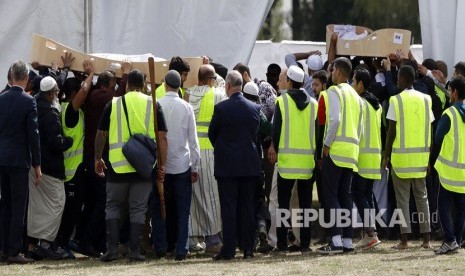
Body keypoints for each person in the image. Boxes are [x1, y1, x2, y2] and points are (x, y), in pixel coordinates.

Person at [95, 69, 168, 262]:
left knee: (112, 207)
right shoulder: (153, 104)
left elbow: (101, 134)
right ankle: (135, 251)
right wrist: (162, 164)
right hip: (143, 168)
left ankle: (111, 250)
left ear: (126, 85)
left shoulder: (113, 104)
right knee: (138, 209)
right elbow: (162, 137)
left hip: (117, 167)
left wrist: (97, 158)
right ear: (144, 85)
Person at [74, 62, 130, 257]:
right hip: (100, 156)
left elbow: (85, 88)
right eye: (114, 83)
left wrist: (85, 73)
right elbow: (119, 98)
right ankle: (90, 241)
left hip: (89, 155)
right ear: (109, 84)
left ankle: (85, 240)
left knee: (91, 201)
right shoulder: (105, 96)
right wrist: (126, 76)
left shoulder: (91, 95)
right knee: (102, 201)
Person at [208, 70, 261, 260]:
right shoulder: (254, 108)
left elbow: (212, 134)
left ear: (228, 85)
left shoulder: (221, 109)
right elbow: (255, 134)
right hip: (249, 164)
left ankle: (229, 249)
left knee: (229, 207)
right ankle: (248, 248)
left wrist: (224, 149)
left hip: (227, 166)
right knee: (247, 206)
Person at [268, 65, 318, 255]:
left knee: (283, 206)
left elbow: (277, 130)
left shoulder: (282, 101)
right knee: (305, 206)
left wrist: (276, 148)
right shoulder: (313, 103)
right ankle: (305, 245)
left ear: (288, 81)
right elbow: (317, 132)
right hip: (306, 164)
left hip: (287, 163)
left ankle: (281, 246)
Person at [384, 65, 434, 250]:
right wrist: (428, 157)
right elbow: (430, 129)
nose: (396, 80)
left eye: (398, 78)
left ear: (404, 79)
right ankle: (426, 239)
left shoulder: (395, 100)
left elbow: (391, 132)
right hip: (421, 158)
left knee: (402, 200)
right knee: (422, 198)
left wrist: (386, 156)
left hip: (401, 161)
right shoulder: (426, 99)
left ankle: (404, 240)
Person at [152, 70, 200, 261]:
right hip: (182, 165)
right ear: (180, 86)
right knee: (182, 210)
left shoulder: (156, 104)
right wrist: (195, 167)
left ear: (164, 85)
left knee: (159, 209)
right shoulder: (186, 107)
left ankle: (161, 246)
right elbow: (193, 140)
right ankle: (182, 248)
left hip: (161, 166)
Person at [317, 57, 363, 255]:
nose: (331, 73)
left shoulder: (334, 91)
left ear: (337, 71)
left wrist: (326, 144)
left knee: (330, 195)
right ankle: (347, 241)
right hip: (351, 152)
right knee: (345, 196)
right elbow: (360, 127)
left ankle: (335, 240)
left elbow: (334, 119)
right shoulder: (355, 95)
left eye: (332, 69)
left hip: (335, 151)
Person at [26, 76, 73, 260]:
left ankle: (31, 246)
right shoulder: (51, 113)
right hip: (51, 168)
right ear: (51, 93)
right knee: (58, 203)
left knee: (36, 206)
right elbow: (55, 142)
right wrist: (68, 141)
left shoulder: (33, 105)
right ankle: (45, 244)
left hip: (33, 164)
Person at [0, 61, 41, 264]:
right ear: (25, 79)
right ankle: (14, 251)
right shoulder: (28, 101)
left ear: (11, 77)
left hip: (2, 159)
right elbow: (33, 134)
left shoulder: (1, 98)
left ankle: (4, 248)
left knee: (5, 205)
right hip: (18, 161)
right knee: (18, 207)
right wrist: (37, 164)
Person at [184, 64, 226, 253]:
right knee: (211, 197)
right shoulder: (217, 94)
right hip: (210, 151)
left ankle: (192, 238)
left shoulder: (187, 94)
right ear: (211, 79)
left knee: (192, 197)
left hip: (190, 151)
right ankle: (212, 239)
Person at [55, 59, 94, 259]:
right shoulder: (70, 111)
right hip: (72, 171)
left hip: (71, 169)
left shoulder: (60, 106)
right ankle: (60, 244)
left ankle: (63, 242)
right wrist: (89, 75)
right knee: (71, 212)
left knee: (72, 210)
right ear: (73, 94)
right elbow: (83, 92)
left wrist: (74, 73)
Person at [350, 68, 383, 250]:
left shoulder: (360, 103)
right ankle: (372, 235)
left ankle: (370, 233)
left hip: (362, 155)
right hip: (374, 155)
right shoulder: (376, 104)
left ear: (361, 84)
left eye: (353, 82)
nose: (351, 85)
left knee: (358, 195)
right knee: (367, 196)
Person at [432, 75, 465, 254]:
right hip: (463, 172)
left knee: (443, 206)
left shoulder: (450, 113)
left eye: (450, 90)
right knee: (461, 208)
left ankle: (450, 240)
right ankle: (457, 240)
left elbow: (437, 138)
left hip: (448, 171)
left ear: (455, 92)